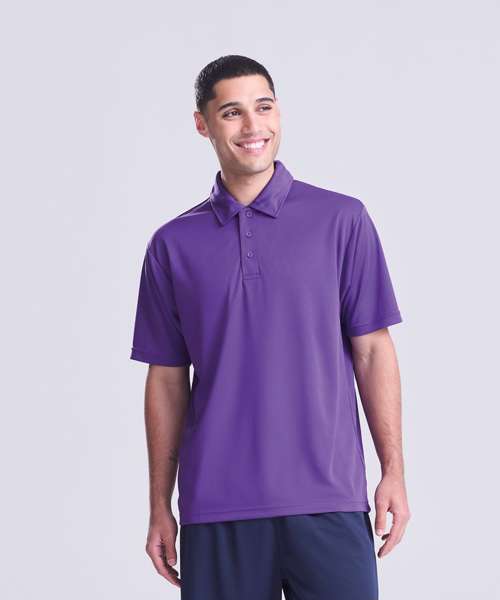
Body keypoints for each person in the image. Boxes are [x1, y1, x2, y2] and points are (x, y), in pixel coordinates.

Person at [129, 54, 411, 600]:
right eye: (231, 112)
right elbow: (166, 379)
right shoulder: (172, 245)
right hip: (218, 507)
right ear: (203, 124)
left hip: (330, 499)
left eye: (263, 107)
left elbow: (373, 350)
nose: (252, 126)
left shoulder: (341, 220)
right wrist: (159, 504)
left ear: (279, 113)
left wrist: (393, 471)